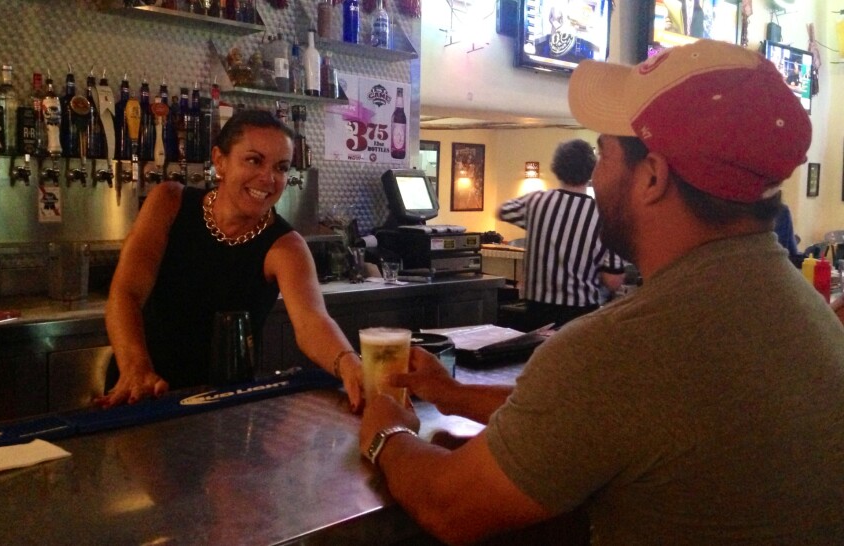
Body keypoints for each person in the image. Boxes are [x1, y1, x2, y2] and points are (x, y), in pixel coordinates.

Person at [359, 40, 844, 545]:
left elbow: (448, 505)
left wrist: (385, 432)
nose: (594, 175)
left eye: (603, 153)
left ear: (652, 176)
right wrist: (453, 395)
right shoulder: (801, 305)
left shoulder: (624, 347)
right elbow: (604, 416)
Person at [100, 110, 364, 411]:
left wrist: (350, 365)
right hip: (143, 391)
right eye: (254, 160)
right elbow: (126, 293)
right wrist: (136, 369)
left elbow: (313, 323)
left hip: (225, 403)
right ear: (220, 160)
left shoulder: (286, 246)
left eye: (281, 167)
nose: (268, 178)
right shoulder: (169, 203)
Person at [498, 139, 624, 330]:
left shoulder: (537, 201)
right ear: (592, 171)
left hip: (536, 310)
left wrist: (537, 225)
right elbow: (613, 281)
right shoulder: (604, 215)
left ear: (557, 168)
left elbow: (502, 210)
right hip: (580, 313)